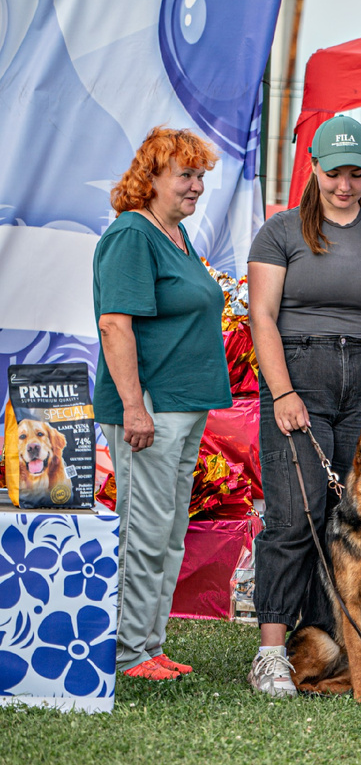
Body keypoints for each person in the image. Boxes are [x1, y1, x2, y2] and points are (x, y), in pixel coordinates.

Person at [246, 116, 361, 696]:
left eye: (356, 173)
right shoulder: (281, 230)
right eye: (333, 172)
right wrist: (283, 391)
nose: (344, 184)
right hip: (301, 374)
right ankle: (271, 653)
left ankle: (338, 645)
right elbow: (261, 316)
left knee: (350, 520)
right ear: (313, 167)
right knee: (294, 518)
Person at [94, 126, 230, 681]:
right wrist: (133, 408)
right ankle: (129, 655)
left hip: (181, 406)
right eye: (185, 175)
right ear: (150, 179)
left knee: (168, 532)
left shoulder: (174, 234)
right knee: (146, 531)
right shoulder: (132, 234)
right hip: (148, 409)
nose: (196, 186)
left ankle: (149, 645)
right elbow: (114, 325)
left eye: (200, 176)